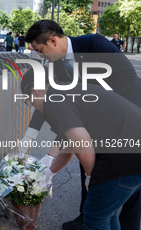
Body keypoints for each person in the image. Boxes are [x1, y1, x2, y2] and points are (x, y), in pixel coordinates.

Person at [22, 19, 141, 230]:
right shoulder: (56, 72)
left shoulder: (94, 44)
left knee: (105, 205)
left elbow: (127, 78)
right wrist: (50, 169)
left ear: (52, 41)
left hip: (125, 126)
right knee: (105, 207)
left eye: (40, 51)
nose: (41, 57)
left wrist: (106, 109)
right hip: (112, 131)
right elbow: (74, 137)